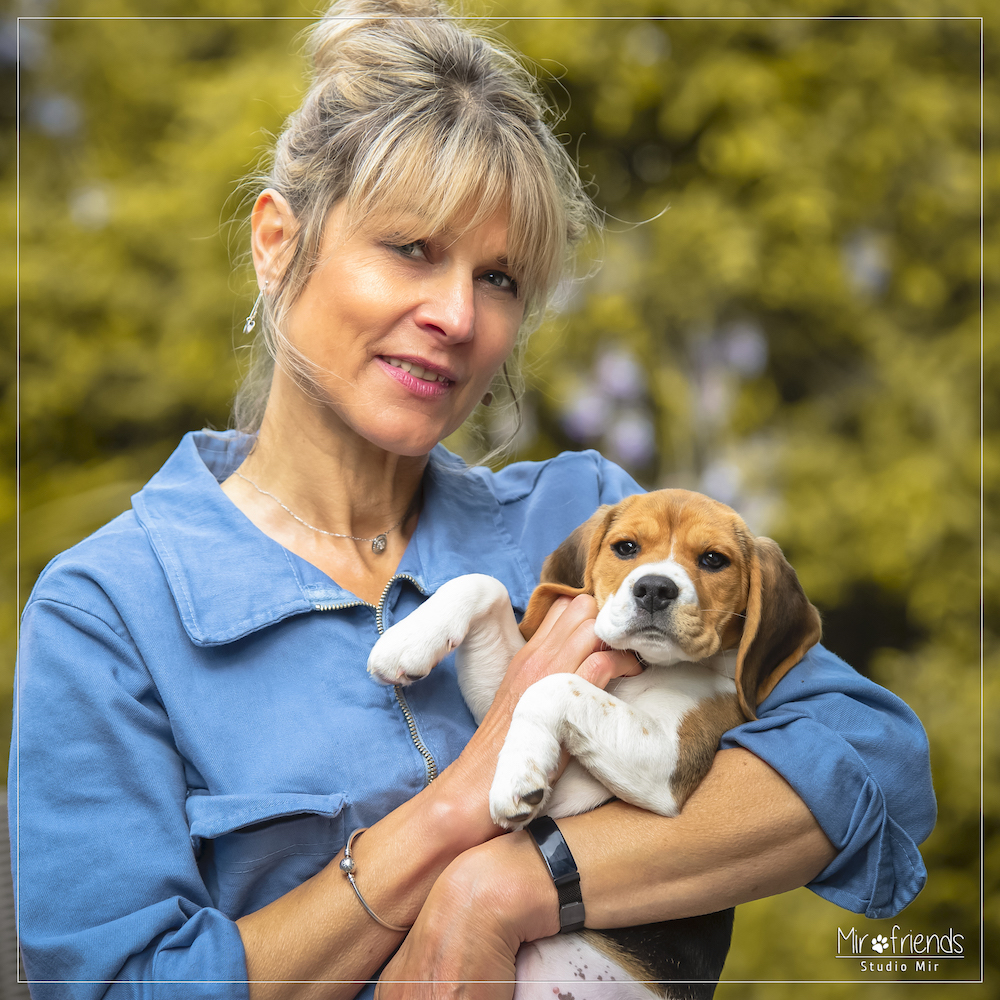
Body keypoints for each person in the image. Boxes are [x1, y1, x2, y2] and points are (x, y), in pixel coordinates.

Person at [11, 1, 936, 998]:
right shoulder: (109, 610)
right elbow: (120, 985)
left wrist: (510, 888)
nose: (456, 315)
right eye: (411, 248)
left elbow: (872, 762)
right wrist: (449, 817)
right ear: (277, 241)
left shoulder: (588, 525)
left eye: (497, 277)